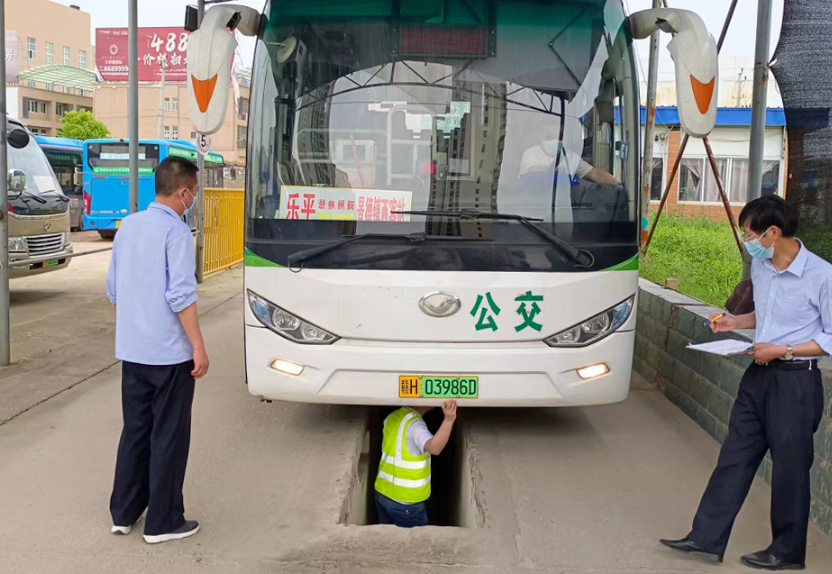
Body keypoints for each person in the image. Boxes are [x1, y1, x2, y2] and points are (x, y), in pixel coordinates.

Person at [660, 195, 829, 570]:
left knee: (789, 468)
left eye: (750, 233)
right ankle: (705, 537)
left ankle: (787, 552)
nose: (747, 240)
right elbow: (765, 315)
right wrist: (734, 323)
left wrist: (782, 350)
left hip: (796, 383)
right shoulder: (763, 267)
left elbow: (830, 338)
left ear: (773, 232)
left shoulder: (822, 275)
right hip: (758, 378)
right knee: (734, 456)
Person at [106, 156, 210, 545]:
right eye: (195, 193)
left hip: (132, 351)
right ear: (183, 192)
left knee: (135, 429)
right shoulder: (177, 233)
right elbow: (181, 294)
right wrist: (198, 347)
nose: (194, 199)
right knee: (169, 434)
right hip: (169, 355)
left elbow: (113, 289)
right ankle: (163, 521)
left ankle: (124, 511)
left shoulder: (128, 226)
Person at [374, 400, 458, 527]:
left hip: (382, 494)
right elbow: (434, 448)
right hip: (406, 503)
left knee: (389, 539)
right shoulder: (414, 425)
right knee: (415, 544)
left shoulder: (393, 417)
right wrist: (448, 420)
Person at [519, 126, 620, 185]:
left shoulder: (569, 156)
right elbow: (533, 171)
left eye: (559, 137)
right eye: (551, 137)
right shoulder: (531, 153)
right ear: (542, 137)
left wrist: (617, 184)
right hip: (533, 207)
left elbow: (594, 173)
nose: (555, 141)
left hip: (564, 209)